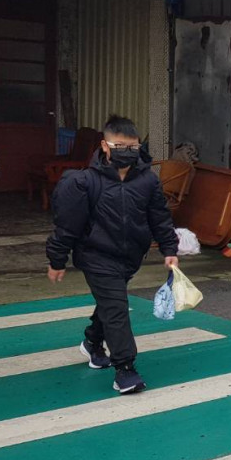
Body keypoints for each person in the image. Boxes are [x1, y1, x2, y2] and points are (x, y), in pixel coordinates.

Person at [45, 115, 180, 395]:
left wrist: (169, 250)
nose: (127, 153)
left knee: (110, 303)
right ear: (105, 146)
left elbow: (160, 217)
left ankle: (92, 344)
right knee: (117, 307)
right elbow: (68, 225)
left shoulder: (147, 181)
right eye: (120, 146)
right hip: (96, 256)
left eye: (132, 147)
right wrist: (57, 260)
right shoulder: (85, 182)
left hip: (130, 256)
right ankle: (125, 370)